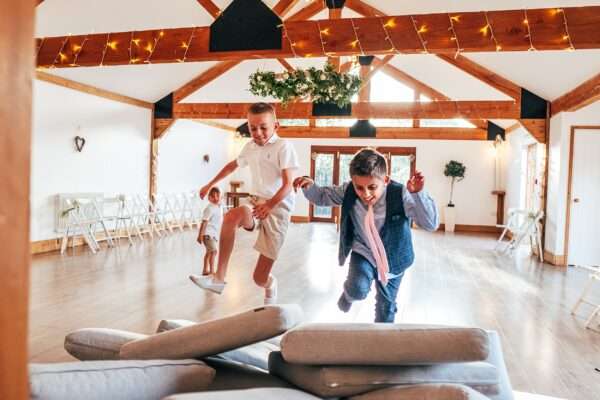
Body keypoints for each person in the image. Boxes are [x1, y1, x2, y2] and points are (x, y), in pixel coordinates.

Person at [293, 148, 439, 322]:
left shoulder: (400, 194)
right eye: (359, 188)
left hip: (395, 258)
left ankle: (381, 344)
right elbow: (323, 196)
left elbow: (430, 224)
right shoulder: (349, 191)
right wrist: (309, 185)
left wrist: (418, 194)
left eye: (372, 187)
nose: (366, 194)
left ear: (385, 180)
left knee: (386, 308)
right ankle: (349, 295)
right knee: (357, 288)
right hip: (364, 251)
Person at [194, 102, 299, 304]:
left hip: (278, 208)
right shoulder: (249, 147)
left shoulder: (283, 146)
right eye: (252, 128)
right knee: (232, 215)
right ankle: (218, 278)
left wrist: (269, 206)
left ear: (276, 126)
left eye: (263, 127)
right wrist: (210, 184)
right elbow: (232, 165)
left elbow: (288, 185)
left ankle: (270, 285)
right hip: (255, 201)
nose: (257, 132)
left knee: (259, 278)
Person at [190, 187, 222, 285]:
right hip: (208, 234)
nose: (216, 198)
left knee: (209, 252)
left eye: (218, 195)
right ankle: (212, 272)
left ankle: (205, 270)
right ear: (209, 198)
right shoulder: (209, 208)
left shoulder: (218, 207)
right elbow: (204, 223)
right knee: (214, 251)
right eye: (213, 196)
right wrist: (200, 235)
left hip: (214, 234)